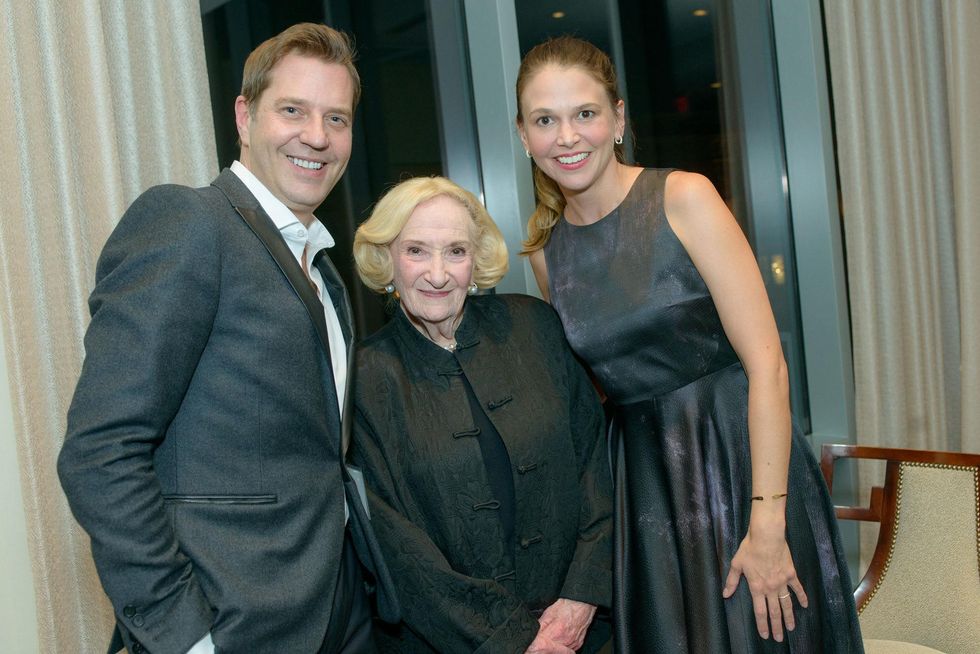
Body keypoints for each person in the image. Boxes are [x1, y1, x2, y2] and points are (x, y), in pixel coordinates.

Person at [515, 36, 863, 653]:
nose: (567, 137)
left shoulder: (683, 197)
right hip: (645, 494)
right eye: (546, 120)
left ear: (618, 119)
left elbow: (768, 365)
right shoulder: (547, 255)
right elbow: (589, 399)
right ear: (524, 136)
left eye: (585, 114)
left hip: (740, 470)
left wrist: (767, 522)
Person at [58, 23, 397, 654]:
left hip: (336, 610)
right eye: (292, 110)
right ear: (245, 116)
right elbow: (100, 451)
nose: (317, 137)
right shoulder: (189, 222)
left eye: (337, 118)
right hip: (231, 620)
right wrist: (184, 635)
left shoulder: (322, 267)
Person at [349, 176, 613, 653]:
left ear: (476, 262)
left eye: (455, 251)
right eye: (416, 251)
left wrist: (582, 596)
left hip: (581, 633)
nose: (437, 273)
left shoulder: (534, 326)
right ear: (386, 260)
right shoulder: (363, 379)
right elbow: (397, 549)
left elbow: (597, 462)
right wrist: (516, 642)